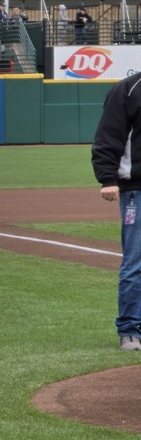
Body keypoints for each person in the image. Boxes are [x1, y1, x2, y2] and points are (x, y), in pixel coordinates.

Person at [92, 71, 141, 350]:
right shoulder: (128, 89)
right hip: (137, 190)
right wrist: (108, 179)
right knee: (136, 262)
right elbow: (108, 135)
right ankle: (130, 329)